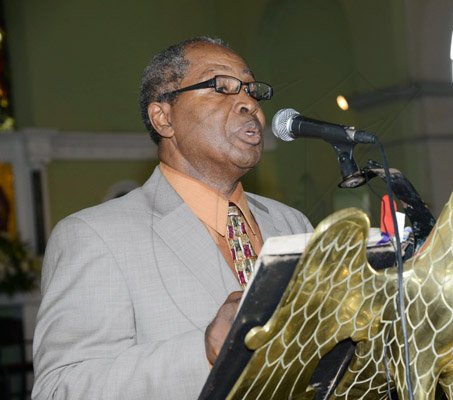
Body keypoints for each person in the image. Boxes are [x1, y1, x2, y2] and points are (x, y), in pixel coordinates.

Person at [32, 36, 313, 399]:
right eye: (220, 87)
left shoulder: (293, 224)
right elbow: (60, 389)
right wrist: (205, 352)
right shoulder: (92, 236)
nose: (248, 104)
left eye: (251, 91)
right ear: (163, 118)